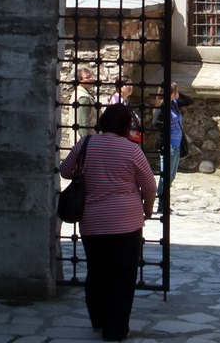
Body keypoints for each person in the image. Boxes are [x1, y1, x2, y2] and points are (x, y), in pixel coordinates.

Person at [60, 103, 156, 342]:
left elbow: (65, 171)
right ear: (126, 125)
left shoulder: (86, 144)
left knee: (97, 271)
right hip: (126, 222)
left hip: (93, 221)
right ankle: (115, 329)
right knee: (122, 275)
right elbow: (150, 184)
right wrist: (148, 208)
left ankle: (99, 319)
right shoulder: (132, 150)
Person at [151, 82, 193, 214]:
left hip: (176, 144)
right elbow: (154, 123)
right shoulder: (163, 107)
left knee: (172, 175)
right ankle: (161, 203)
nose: (178, 93)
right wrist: (166, 129)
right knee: (165, 175)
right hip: (168, 144)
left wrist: (177, 93)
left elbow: (189, 101)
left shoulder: (174, 104)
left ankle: (164, 202)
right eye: (175, 91)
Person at [109, 77, 142, 144]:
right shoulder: (117, 102)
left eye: (131, 84)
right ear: (121, 86)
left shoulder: (123, 101)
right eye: (128, 85)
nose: (131, 87)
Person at [73, 66, 97, 138]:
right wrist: (86, 142)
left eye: (91, 76)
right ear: (80, 81)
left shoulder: (82, 94)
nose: (91, 79)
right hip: (84, 142)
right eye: (87, 78)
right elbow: (82, 124)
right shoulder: (83, 98)